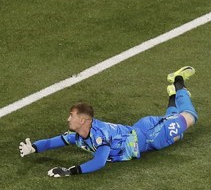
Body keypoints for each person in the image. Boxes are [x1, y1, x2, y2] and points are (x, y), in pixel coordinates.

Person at [18, 66, 198, 176]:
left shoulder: (99, 137)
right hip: (142, 136)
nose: (68, 119)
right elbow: (53, 141)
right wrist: (34, 147)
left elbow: (99, 162)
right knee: (176, 134)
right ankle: (173, 95)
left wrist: (69, 171)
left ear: (82, 120)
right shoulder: (79, 135)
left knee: (190, 117)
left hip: (151, 136)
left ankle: (178, 80)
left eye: (71, 116)